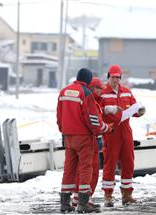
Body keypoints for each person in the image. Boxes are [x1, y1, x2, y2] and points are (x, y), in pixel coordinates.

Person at [56, 68, 111, 213]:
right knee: (86, 168)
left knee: (69, 169)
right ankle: (83, 203)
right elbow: (92, 119)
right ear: (88, 80)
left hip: (68, 136)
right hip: (84, 138)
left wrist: (63, 131)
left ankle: (65, 203)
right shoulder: (85, 93)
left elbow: (59, 116)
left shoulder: (64, 92)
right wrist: (104, 129)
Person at [100, 65, 145, 207]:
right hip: (111, 133)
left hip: (126, 132)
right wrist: (106, 110)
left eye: (117, 77)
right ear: (108, 77)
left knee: (128, 163)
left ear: (120, 78)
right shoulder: (102, 93)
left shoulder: (126, 92)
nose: (115, 80)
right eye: (113, 77)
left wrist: (140, 112)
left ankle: (127, 194)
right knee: (110, 164)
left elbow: (134, 109)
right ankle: (108, 195)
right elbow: (96, 112)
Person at [71, 77, 110, 210]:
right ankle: (83, 200)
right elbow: (95, 121)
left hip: (90, 138)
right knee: (88, 171)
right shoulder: (89, 100)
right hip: (89, 138)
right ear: (93, 88)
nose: (101, 92)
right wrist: (106, 128)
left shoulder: (94, 101)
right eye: (99, 89)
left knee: (87, 170)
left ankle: (82, 199)